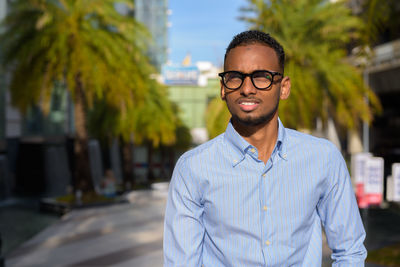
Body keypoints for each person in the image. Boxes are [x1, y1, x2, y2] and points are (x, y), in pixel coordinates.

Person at [164, 30, 367, 266]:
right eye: (234, 77)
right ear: (222, 88)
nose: (247, 88)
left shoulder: (323, 158)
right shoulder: (193, 167)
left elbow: (349, 251)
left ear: (284, 87)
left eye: (261, 77)